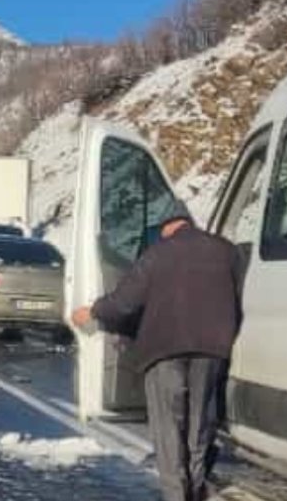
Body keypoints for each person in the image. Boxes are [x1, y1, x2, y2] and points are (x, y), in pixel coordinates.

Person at [71, 214, 243, 501]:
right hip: (212, 348)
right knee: (200, 422)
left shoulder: (157, 253)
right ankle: (195, 484)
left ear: (167, 229)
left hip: (164, 349)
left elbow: (124, 303)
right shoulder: (225, 251)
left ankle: (176, 494)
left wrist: (92, 311)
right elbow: (239, 297)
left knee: (168, 426)